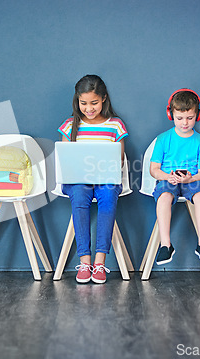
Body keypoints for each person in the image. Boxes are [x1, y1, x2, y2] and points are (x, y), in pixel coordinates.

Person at [58, 75, 128, 284]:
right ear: (77, 101)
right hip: (77, 180)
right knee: (79, 199)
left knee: (107, 199)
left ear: (104, 99)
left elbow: (120, 160)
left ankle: (99, 262)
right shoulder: (70, 125)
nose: (89, 108)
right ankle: (85, 261)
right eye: (84, 103)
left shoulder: (115, 125)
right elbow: (65, 159)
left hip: (106, 178)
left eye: (94, 103)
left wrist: (107, 163)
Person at [150, 88, 200, 265]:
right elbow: (154, 169)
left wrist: (190, 178)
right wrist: (166, 176)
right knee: (164, 196)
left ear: (197, 116)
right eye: (180, 118)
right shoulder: (163, 139)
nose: (185, 123)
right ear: (171, 115)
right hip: (168, 178)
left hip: (191, 179)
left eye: (190, 118)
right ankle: (165, 245)